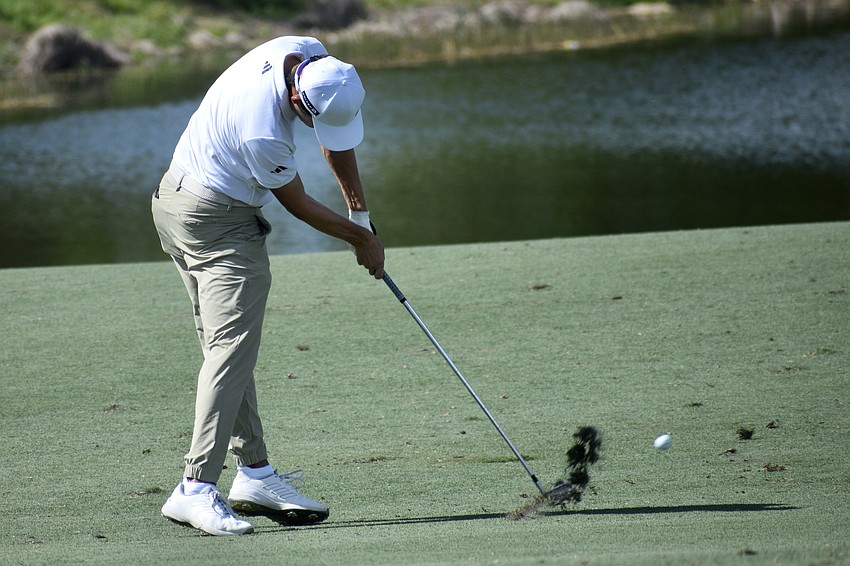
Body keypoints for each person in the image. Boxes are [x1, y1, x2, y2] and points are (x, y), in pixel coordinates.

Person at [151, 36, 384, 536]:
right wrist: (359, 240)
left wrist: (360, 215)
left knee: (227, 351)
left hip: (175, 200)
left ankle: (254, 473)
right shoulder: (263, 132)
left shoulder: (305, 52)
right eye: (311, 118)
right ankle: (195, 488)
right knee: (230, 351)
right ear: (299, 98)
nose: (314, 128)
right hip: (215, 221)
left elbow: (334, 139)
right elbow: (296, 202)